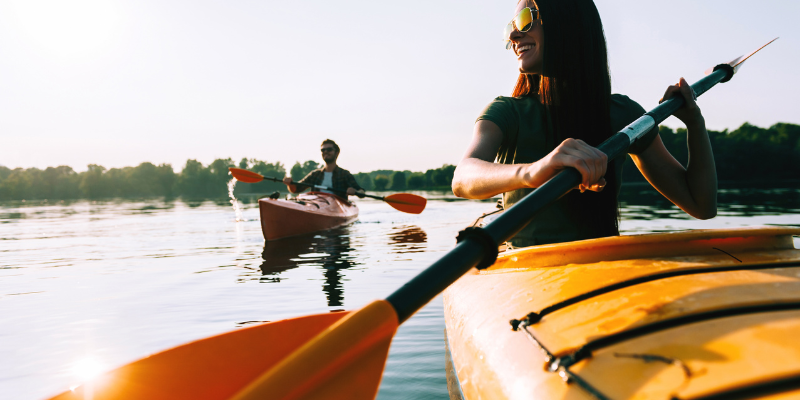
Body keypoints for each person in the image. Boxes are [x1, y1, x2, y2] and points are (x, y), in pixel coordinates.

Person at [452, 0, 717, 248]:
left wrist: (695, 123)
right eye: (511, 27)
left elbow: (701, 206)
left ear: (567, 23)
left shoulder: (623, 115)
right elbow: (462, 179)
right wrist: (533, 172)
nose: (514, 36)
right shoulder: (506, 112)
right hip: (524, 271)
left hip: (600, 267)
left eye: (525, 20)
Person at [283, 139, 366, 198]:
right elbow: (296, 189)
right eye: (323, 150)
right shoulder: (315, 174)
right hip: (317, 204)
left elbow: (361, 191)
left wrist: (355, 192)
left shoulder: (344, 174)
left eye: (329, 149)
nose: (325, 152)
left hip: (336, 206)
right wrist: (290, 184)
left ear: (337, 153)